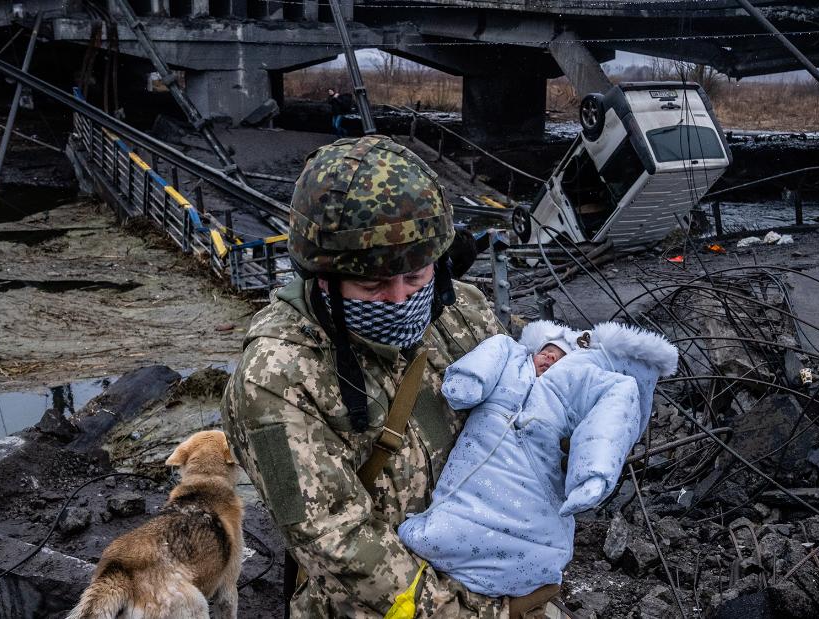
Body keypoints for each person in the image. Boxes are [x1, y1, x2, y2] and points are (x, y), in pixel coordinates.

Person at [222, 135, 563, 617]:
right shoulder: (275, 378)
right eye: (372, 284)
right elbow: (335, 541)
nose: (400, 298)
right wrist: (479, 614)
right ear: (323, 278)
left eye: (416, 276)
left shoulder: (459, 312)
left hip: (496, 572)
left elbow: (529, 411)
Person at [397, 320, 679, 598]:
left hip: (534, 476)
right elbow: (492, 352)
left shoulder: (572, 385)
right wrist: (469, 381)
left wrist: (594, 472)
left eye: (559, 357)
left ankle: (522, 576)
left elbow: (610, 417)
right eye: (546, 350)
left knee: (537, 531)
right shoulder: (510, 358)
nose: (549, 357)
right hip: (477, 470)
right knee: (455, 516)